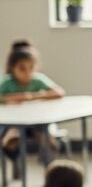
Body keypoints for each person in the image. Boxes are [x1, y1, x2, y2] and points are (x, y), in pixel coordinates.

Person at [1, 39, 65, 171]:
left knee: (47, 139)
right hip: (13, 123)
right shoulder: (7, 83)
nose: (27, 73)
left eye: (31, 68)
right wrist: (16, 98)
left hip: (37, 123)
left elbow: (59, 92)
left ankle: (50, 167)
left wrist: (32, 96)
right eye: (22, 69)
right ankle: (15, 161)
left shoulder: (37, 80)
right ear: (12, 68)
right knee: (11, 138)